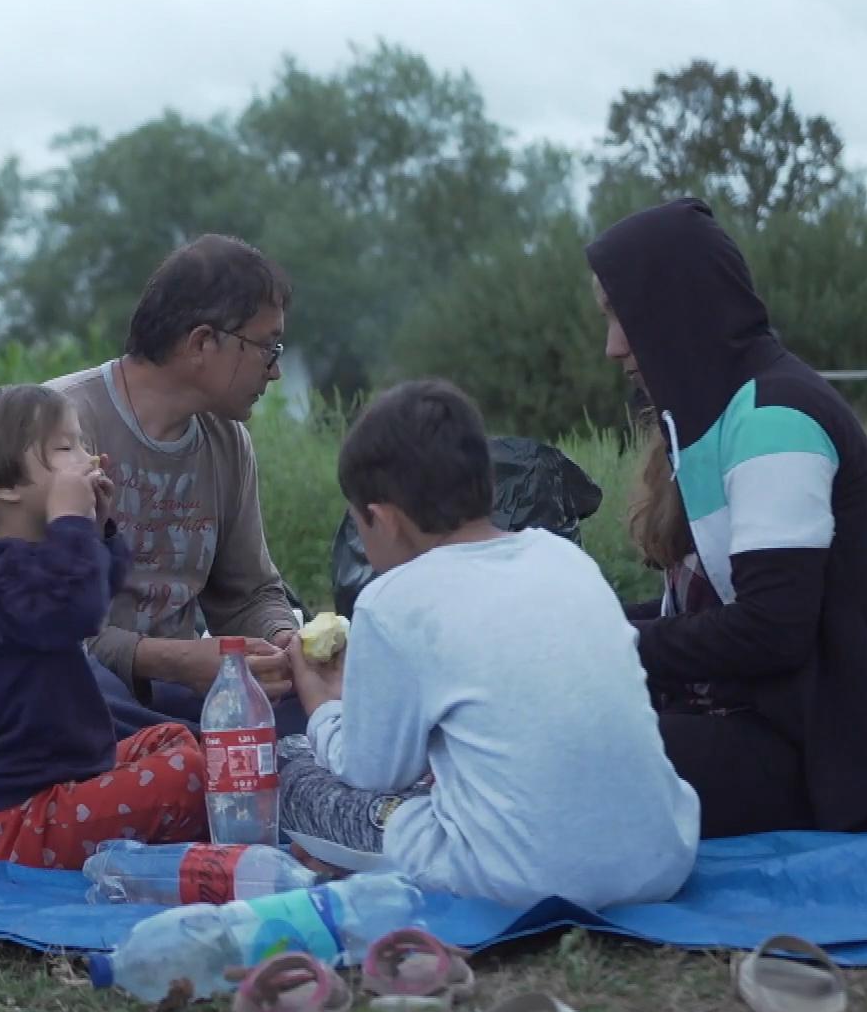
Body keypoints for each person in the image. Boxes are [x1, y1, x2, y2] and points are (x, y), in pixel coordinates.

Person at [585, 197, 867, 838]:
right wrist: (577, 627)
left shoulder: (775, 419)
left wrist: (606, 649)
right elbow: (697, 608)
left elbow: (770, 630)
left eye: (623, 317)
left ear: (674, 307)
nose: (614, 347)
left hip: (832, 757)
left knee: (573, 748)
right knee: (554, 717)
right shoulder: (723, 414)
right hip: (769, 720)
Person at [278, 379, 700, 910]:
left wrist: (324, 706)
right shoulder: (565, 559)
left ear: (382, 518)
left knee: (291, 764)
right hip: (661, 858)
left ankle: (341, 848)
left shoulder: (393, 601)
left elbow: (371, 773)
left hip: (518, 878)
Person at [0, 385, 207, 870]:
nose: (87, 457)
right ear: (5, 484)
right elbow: (76, 610)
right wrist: (71, 524)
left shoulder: (25, 563)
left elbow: (94, 595)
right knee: (190, 775)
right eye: (65, 447)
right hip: (16, 819)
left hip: (63, 777)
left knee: (174, 739)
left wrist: (96, 529)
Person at [49, 234, 303, 728]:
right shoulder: (62, 426)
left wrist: (286, 641)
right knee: (74, 693)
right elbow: (45, 624)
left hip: (177, 690)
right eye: (267, 347)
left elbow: (247, 594)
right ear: (202, 342)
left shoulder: (226, 443)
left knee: (322, 701)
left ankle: (183, 753)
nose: (274, 373)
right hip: (82, 685)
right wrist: (178, 661)